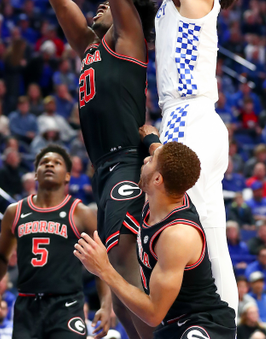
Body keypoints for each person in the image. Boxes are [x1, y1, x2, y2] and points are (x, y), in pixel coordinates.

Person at [56, 0, 255, 315]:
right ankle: (212, 315)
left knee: (187, 219)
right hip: (190, 118)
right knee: (201, 221)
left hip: (190, 114)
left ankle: (205, 317)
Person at [35, 0, 156, 339]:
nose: (101, 4)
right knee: (113, 278)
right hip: (102, 171)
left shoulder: (129, 38)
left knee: (122, 263)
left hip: (128, 161)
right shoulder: (88, 45)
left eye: (110, 3)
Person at [74, 142, 236, 339]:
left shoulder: (177, 234)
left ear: (158, 179)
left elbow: (153, 314)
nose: (145, 160)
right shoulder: (161, 196)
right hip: (171, 324)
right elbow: (164, 156)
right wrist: (151, 139)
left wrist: (104, 269)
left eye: (150, 161)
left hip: (201, 322)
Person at [0, 145, 111, 339]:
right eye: (44, 162)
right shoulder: (15, 212)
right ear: (35, 174)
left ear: (67, 176)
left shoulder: (81, 213)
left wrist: (106, 305)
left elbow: (103, 263)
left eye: (57, 163)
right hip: (27, 306)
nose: (50, 164)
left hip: (66, 306)